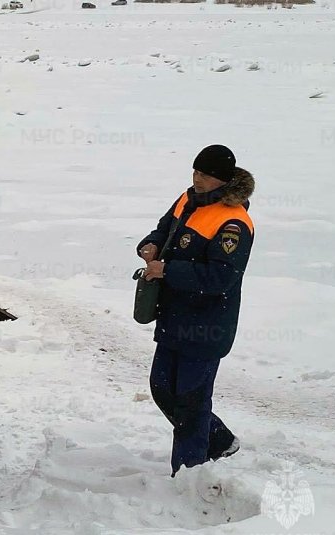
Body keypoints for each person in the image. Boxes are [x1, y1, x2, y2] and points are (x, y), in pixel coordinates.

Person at [137, 144, 255, 476]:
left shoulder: (234, 223)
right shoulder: (188, 199)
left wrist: (167, 270)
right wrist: (151, 244)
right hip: (174, 317)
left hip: (206, 326)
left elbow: (221, 277)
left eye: (204, 174)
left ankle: (188, 473)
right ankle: (219, 440)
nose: (196, 178)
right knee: (162, 389)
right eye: (195, 171)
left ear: (222, 179)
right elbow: (164, 229)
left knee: (190, 401)